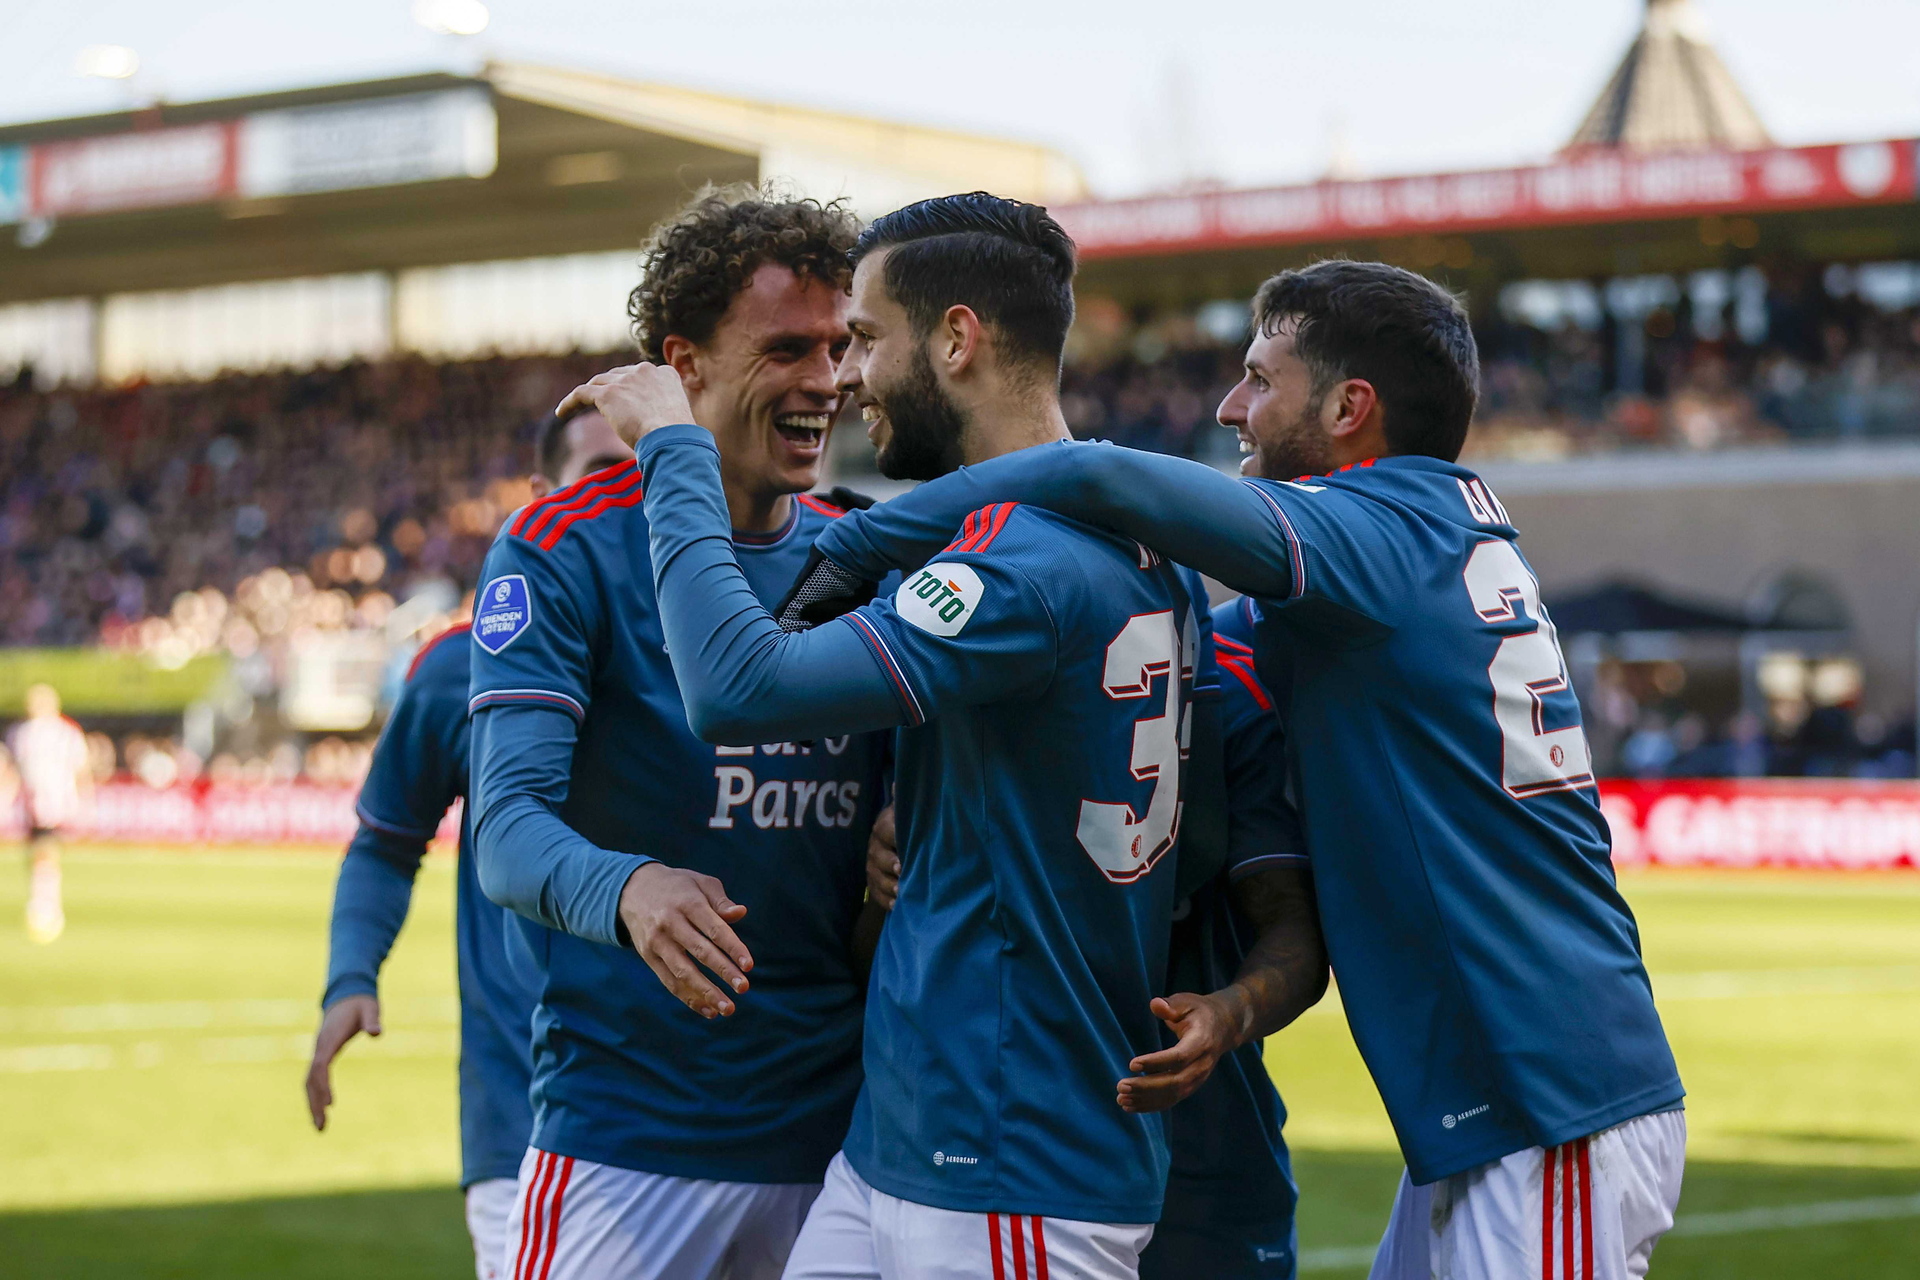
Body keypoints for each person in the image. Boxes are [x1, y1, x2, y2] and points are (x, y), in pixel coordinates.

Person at [800, 259, 1687, 1280]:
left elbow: (1096, 477)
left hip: (1551, 1092)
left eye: (1261, 380)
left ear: (1350, 409)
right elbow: (1172, 653)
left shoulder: (1370, 531)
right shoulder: (1418, 536)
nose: (1229, 407)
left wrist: (860, 542)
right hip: (1512, 1091)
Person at [567, 193, 1219, 1280]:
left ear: (957, 340)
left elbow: (734, 687)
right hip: (903, 1144)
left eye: (865, 339)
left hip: (1009, 1156)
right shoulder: (1138, 547)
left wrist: (677, 451)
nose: (847, 377)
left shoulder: (1012, 565)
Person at [467, 188, 889, 1280]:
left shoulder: (866, 556)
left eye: (839, 346)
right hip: (627, 1146)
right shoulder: (564, 545)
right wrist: (632, 888)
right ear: (683, 365)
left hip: (845, 1154)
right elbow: (505, 831)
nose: (827, 380)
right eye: (786, 349)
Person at [862, 590, 1325, 1280]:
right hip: (1008, 1143)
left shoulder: (1227, 682)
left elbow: (1294, 930)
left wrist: (1229, 1014)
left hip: (1198, 1151)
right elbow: (876, 942)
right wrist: (894, 862)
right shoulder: (971, 678)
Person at [306, 407, 632, 1280]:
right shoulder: (460, 664)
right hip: (523, 1119)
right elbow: (386, 841)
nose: (628, 491)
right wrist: (351, 976)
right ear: (543, 496)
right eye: (603, 471)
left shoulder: (726, 644)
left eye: (647, 466)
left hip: (723, 1118)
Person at [7, 683, 91, 945]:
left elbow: (80, 768)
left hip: (54, 800)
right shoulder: (21, 732)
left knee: (46, 850)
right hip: (32, 802)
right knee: (37, 853)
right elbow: (15, 768)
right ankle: (43, 900)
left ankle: (45, 905)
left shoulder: (65, 733)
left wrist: (83, 799)